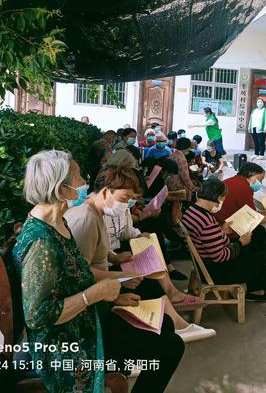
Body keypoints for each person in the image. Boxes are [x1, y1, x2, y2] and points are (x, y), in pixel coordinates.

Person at [13, 150, 185, 392]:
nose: (85, 182)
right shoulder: (41, 242)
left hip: (86, 318)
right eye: (78, 177)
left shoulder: (59, 224)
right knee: (170, 347)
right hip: (67, 341)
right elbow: (38, 315)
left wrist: (113, 292)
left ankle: (120, 373)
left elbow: (79, 271)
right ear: (60, 189)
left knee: (164, 327)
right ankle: (116, 374)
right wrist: (96, 294)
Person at [65, 165, 216, 343]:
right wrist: (119, 277)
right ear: (106, 192)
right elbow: (79, 272)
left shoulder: (96, 213)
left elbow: (97, 253)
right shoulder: (85, 219)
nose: (84, 182)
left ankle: (174, 320)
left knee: (147, 270)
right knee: (149, 285)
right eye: (126, 198)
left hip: (103, 281)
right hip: (95, 291)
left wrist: (115, 258)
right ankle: (174, 322)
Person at [182, 178, 266, 316]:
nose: (222, 203)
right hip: (217, 270)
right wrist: (240, 243)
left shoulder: (192, 211)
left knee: (256, 241)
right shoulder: (206, 220)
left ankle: (255, 290)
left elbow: (209, 240)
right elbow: (219, 256)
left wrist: (222, 231)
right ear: (217, 197)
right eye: (223, 199)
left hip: (205, 263)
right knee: (264, 258)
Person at [215, 162, 266, 228]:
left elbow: (249, 212)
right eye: (260, 180)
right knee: (258, 230)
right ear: (250, 174)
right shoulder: (244, 188)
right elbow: (253, 218)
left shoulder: (235, 180)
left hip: (216, 220)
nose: (260, 183)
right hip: (223, 226)